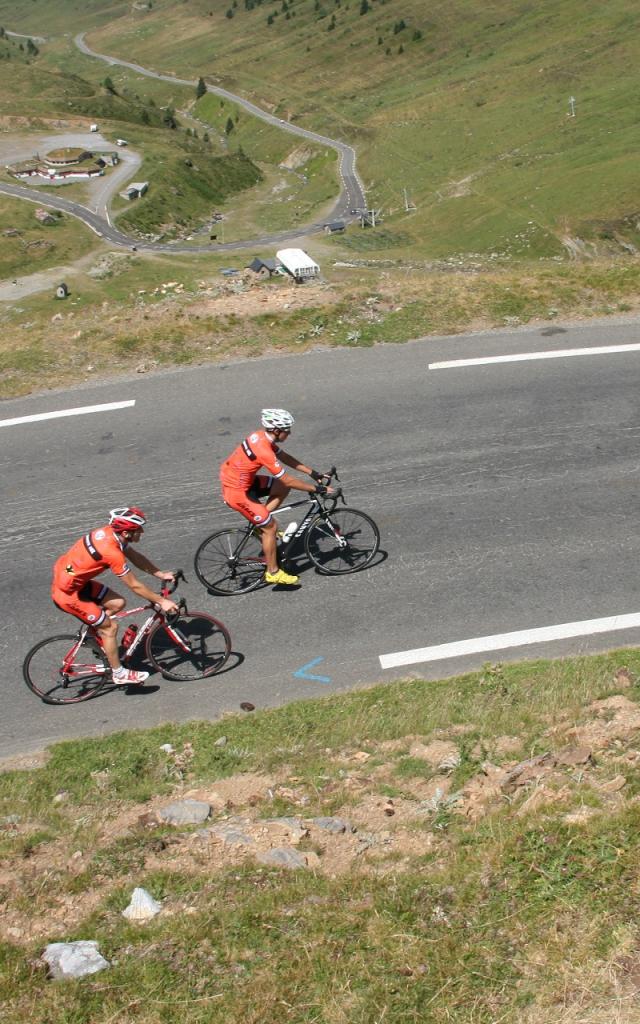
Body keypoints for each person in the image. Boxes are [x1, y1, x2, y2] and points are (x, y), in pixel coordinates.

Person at [51, 507, 178, 685]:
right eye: (138, 529)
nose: (141, 532)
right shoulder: (111, 552)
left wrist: (160, 574)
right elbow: (134, 585)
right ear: (126, 532)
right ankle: (118, 673)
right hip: (68, 594)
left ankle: (94, 635)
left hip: (72, 580)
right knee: (110, 628)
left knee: (117, 603)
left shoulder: (110, 533)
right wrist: (162, 601)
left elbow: (136, 557)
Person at [219, 408, 332, 586]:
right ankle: (273, 572)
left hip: (240, 481)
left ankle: (259, 523)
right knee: (271, 527)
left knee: (280, 489)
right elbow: (287, 479)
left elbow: (285, 457)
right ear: (277, 430)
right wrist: (317, 489)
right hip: (237, 492)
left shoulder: (262, 436)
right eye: (287, 430)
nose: (289, 433)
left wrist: (313, 472)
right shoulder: (263, 450)